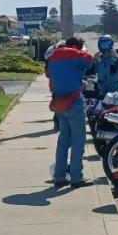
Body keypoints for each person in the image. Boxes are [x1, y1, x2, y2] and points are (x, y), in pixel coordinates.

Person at [45, 36, 94, 187]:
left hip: (60, 103)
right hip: (74, 102)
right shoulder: (74, 53)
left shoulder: (53, 57)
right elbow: (90, 59)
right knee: (78, 141)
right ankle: (76, 177)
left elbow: (48, 74)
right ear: (75, 46)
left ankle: (59, 177)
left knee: (63, 140)